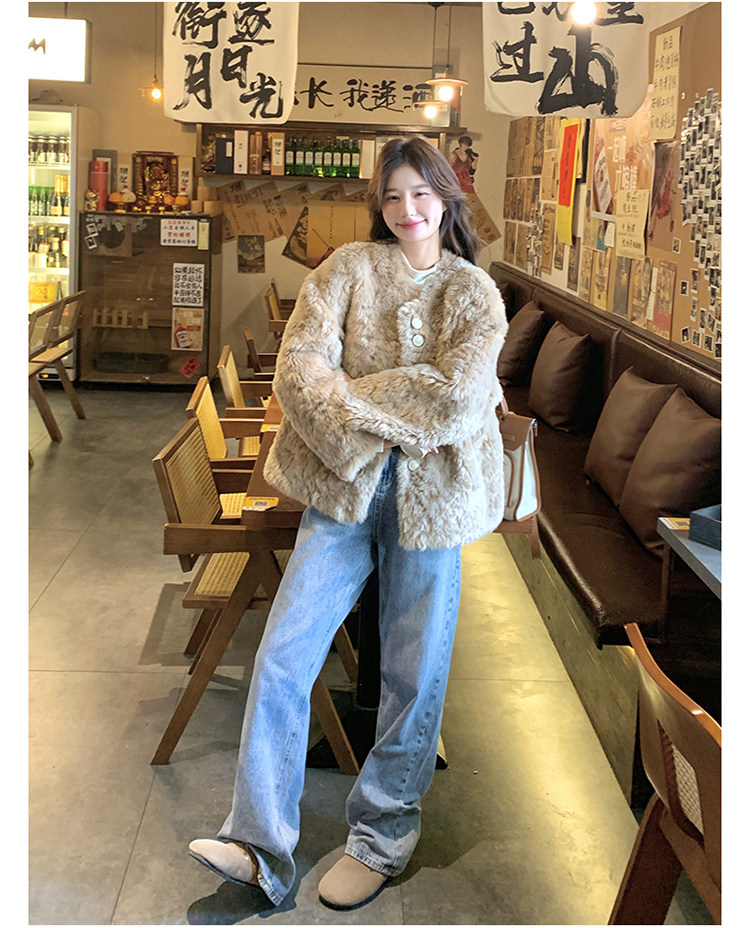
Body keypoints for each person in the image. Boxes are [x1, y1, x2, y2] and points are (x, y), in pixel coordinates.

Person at [188, 135, 508, 910]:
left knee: (412, 672)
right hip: (342, 488)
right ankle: (258, 843)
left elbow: (458, 398)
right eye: (392, 195)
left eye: (421, 193)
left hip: (435, 501)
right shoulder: (345, 270)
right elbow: (300, 371)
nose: (407, 209)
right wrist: (384, 413)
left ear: (447, 197)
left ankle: (382, 836)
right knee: (284, 654)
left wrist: (354, 395)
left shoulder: (473, 291)